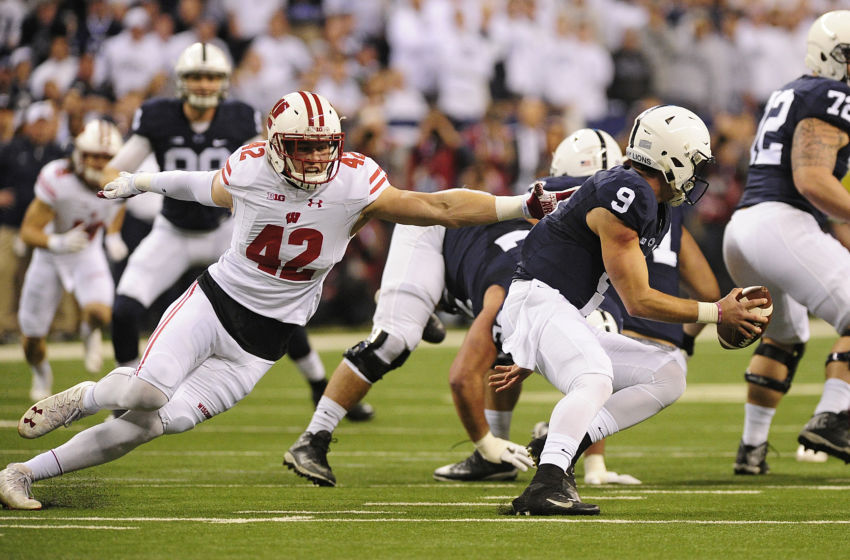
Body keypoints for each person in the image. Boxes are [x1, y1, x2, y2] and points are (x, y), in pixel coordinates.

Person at [0, 89, 557, 510]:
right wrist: (145, 183)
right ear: (274, 144)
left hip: (263, 344)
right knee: (144, 392)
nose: (316, 159)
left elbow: (437, 207)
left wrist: (516, 206)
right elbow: (204, 187)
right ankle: (88, 394)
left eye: (324, 148)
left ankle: (24, 472)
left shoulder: (356, 182)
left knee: (154, 423)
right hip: (215, 303)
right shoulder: (250, 167)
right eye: (303, 147)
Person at [488, 104, 767, 516]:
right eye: (692, 162)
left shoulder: (651, 201)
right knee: (595, 377)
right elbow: (639, 300)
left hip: (557, 310)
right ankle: (546, 482)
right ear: (671, 158)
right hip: (540, 300)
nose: (696, 173)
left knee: (667, 373)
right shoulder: (627, 192)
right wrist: (718, 313)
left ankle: (567, 444)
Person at [102, 42, 362, 419]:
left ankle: (320, 388)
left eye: (211, 77)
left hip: (227, 232)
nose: (204, 84)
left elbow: (267, 166)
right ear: (181, 81)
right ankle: (123, 397)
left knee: (277, 307)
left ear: (224, 82)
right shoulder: (158, 116)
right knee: (124, 309)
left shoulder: (240, 117)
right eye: (196, 76)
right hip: (172, 230)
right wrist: (142, 197)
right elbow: (118, 169)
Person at [723, 10, 850, 474]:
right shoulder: (831, 94)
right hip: (781, 223)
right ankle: (834, 416)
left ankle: (751, 447)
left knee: (784, 335)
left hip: (746, 230)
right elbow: (813, 180)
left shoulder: (794, 90)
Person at [17, 120, 127, 400]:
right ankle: (42, 374)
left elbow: (118, 207)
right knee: (31, 339)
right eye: (92, 154)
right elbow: (28, 231)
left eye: (105, 157)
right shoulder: (57, 176)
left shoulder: (120, 179)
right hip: (49, 257)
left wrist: (112, 235)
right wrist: (57, 241)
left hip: (86, 253)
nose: (98, 162)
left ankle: (88, 331)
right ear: (79, 152)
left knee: (101, 313)